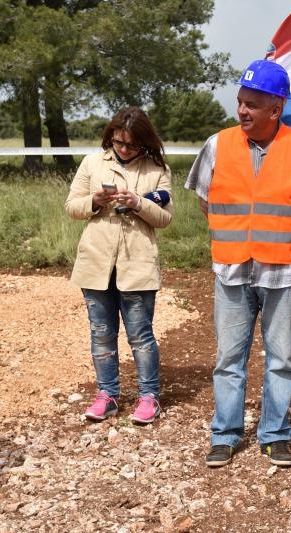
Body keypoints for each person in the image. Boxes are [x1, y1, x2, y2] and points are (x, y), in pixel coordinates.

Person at [186, 60, 291, 468]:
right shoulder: (217, 144)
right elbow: (204, 199)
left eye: (252, 104)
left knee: (281, 359)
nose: (243, 111)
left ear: (276, 109)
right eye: (240, 102)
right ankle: (225, 434)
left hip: (283, 272)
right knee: (228, 359)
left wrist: (284, 236)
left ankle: (275, 434)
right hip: (231, 269)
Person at [65, 106, 173, 425]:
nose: (124, 149)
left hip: (137, 265)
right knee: (101, 334)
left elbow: (165, 218)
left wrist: (138, 203)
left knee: (140, 334)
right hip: (95, 262)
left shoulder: (157, 169)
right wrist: (94, 202)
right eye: (118, 142)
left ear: (144, 143)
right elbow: (72, 206)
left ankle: (149, 396)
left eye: (131, 145)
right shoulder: (92, 163)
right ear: (110, 136)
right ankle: (108, 394)